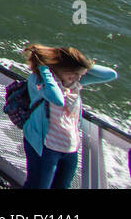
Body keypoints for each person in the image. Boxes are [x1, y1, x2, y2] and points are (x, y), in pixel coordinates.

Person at [21, 43, 118, 189]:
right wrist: (44, 68)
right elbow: (57, 99)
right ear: (60, 68)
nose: (77, 77)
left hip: (69, 148)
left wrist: (83, 65)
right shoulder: (39, 80)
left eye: (79, 74)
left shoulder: (74, 82)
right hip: (45, 147)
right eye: (73, 73)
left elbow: (111, 75)